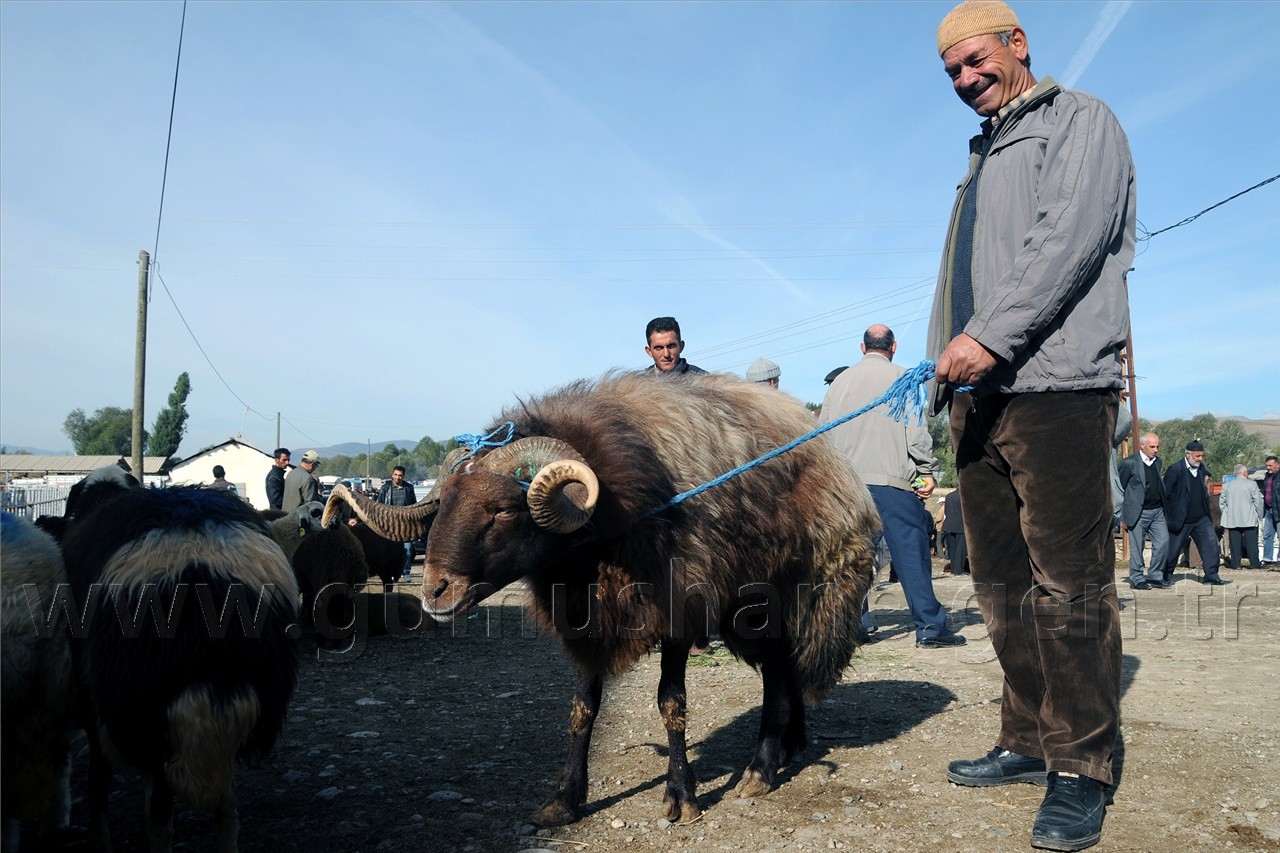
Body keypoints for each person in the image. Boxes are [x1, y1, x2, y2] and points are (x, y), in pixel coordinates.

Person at [926, 2, 1136, 849]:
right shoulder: (980, 159)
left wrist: (985, 337)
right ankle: (1025, 736)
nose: (966, 78)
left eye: (976, 60)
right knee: (1001, 586)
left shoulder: (1081, 121)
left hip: (1056, 389)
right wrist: (945, 367)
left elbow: (1068, 241)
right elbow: (960, 285)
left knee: (1070, 585)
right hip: (979, 398)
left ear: (1017, 45)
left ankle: (1083, 765)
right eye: (951, 72)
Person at [823, 324, 966, 649]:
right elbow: (915, 434)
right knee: (912, 557)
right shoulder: (903, 378)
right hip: (893, 485)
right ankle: (930, 628)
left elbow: (824, 435)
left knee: (852, 559)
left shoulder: (840, 382)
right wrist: (926, 472)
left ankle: (852, 627)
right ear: (894, 347)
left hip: (848, 487)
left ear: (862, 348)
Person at [1163, 440, 1228, 586]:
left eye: (1202, 456)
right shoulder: (1175, 469)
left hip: (1201, 517)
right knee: (1172, 550)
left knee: (1211, 545)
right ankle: (1165, 576)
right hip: (1181, 518)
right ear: (1188, 454)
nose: (1199, 459)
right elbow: (1166, 493)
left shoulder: (1200, 469)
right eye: (1197, 456)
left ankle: (1212, 576)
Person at [1117, 433, 1170, 590]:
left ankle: (1155, 575)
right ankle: (1137, 577)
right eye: (1152, 447)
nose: (1155, 450)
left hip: (1157, 511)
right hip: (1138, 512)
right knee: (1137, 546)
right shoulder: (1129, 464)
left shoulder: (1157, 462)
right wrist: (1121, 514)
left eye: (1157, 447)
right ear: (1142, 446)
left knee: (1163, 542)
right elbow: (1120, 487)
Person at [376, 466, 418, 582]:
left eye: (400, 475)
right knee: (390, 551)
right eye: (395, 474)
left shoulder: (409, 488)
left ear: (403, 476)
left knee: (408, 550)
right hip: (389, 525)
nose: (397, 477)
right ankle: (392, 573)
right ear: (392, 474)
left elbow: (413, 506)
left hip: (405, 525)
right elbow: (379, 506)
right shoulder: (385, 488)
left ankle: (406, 572)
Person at [1220, 464, 1263, 569]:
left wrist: (1226, 513)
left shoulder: (1227, 486)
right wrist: (1259, 516)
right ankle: (1254, 563)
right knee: (1251, 542)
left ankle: (1235, 564)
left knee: (1234, 543)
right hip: (1249, 518)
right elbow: (1258, 502)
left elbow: (1222, 503)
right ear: (1245, 473)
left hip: (1232, 518)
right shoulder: (1252, 484)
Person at [940, 487, 968, 575]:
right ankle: (959, 570)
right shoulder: (965, 496)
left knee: (952, 549)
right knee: (961, 549)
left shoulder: (949, 496)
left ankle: (953, 568)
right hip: (960, 526)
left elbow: (946, 511)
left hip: (949, 525)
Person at [1260, 455, 1280, 566]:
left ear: (1278, 465)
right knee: (1267, 535)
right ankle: (1267, 559)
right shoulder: (1267, 477)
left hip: (1279, 510)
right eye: (1267, 465)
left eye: (1270, 465)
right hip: (1268, 510)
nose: (1268, 468)